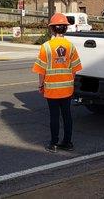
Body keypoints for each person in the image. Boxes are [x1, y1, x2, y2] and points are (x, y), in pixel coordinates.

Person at [32, 13, 82, 153]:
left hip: (51, 88)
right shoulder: (71, 46)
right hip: (67, 88)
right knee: (67, 115)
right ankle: (68, 142)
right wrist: (70, 82)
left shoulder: (46, 47)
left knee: (54, 116)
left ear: (52, 29)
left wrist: (41, 85)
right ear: (65, 29)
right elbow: (75, 68)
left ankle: (54, 143)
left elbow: (41, 70)